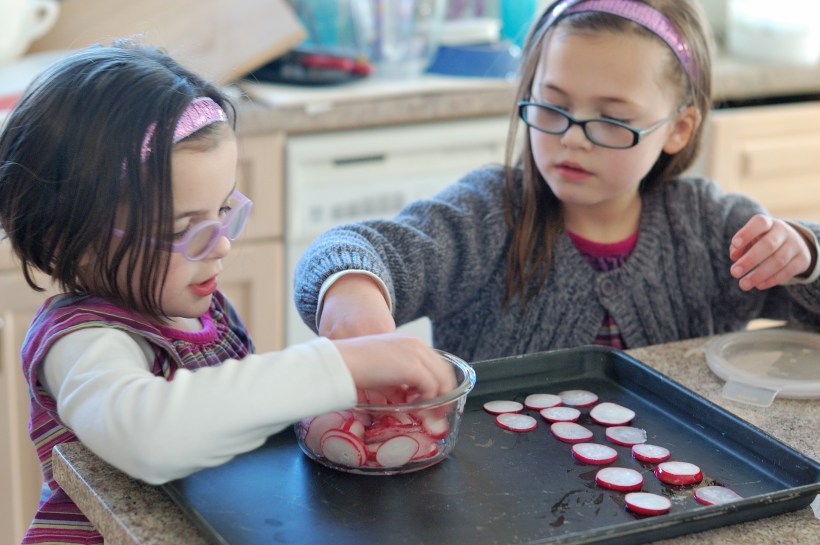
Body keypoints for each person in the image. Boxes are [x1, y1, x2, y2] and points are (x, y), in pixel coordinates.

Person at [0, 41, 456, 545]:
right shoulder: (81, 342)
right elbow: (150, 436)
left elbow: (227, 410)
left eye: (224, 211)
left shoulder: (195, 307)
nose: (220, 246)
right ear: (70, 240)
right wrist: (342, 366)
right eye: (185, 228)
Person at [294, 0, 820, 363]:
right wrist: (351, 293)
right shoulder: (488, 214)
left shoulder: (711, 227)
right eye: (553, 106)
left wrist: (805, 253)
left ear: (678, 129)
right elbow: (351, 248)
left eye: (611, 119)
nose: (573, 139)